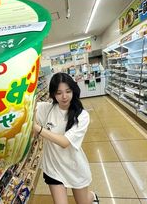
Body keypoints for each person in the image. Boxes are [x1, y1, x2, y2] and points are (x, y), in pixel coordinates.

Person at [34, 72, 99, 204]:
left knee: (83, 202)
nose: (64, 97)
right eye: (59, 93)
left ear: (73, 91)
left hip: (74, 167)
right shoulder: (46, 109)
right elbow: (26, 108)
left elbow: (64, 142)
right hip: (53, 168)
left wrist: (38, 129)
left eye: (68, 91)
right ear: (53, 94)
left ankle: (92, 196)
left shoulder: (82, 116)